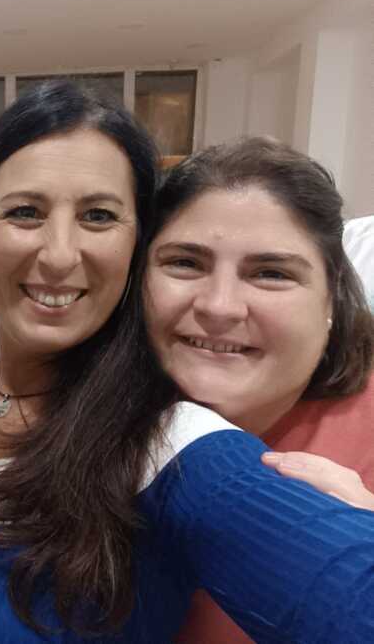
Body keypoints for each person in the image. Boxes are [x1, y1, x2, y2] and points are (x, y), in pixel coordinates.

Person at [0, 81, 374, 643]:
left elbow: (346, 591)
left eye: (97, 216)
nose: (59, 254)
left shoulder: (171, 445)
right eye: (25, 212)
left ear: (136, 242)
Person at [139, 137, 374, 644]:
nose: (219, 306)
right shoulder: (89, 418)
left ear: (331, 296)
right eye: (186, 263)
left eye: (271, 273)